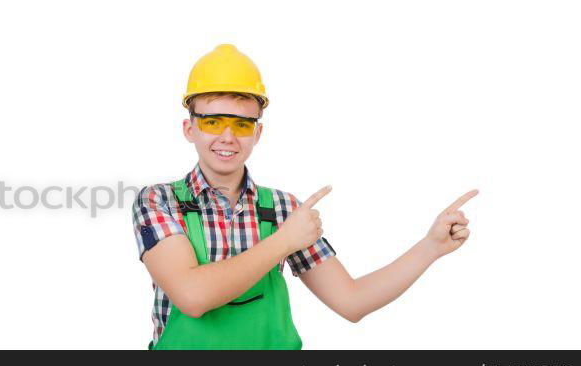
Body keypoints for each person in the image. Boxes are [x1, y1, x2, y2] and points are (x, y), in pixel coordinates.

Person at [132, 44, 476, 349]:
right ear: (189, 128)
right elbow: (192, 296)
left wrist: (430, 247)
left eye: (241, 124)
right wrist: (284, 242)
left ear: (258, 132)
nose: (227, 136)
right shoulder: (159, 202)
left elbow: (351, 301)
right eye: (213, 122)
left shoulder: (284, 210)